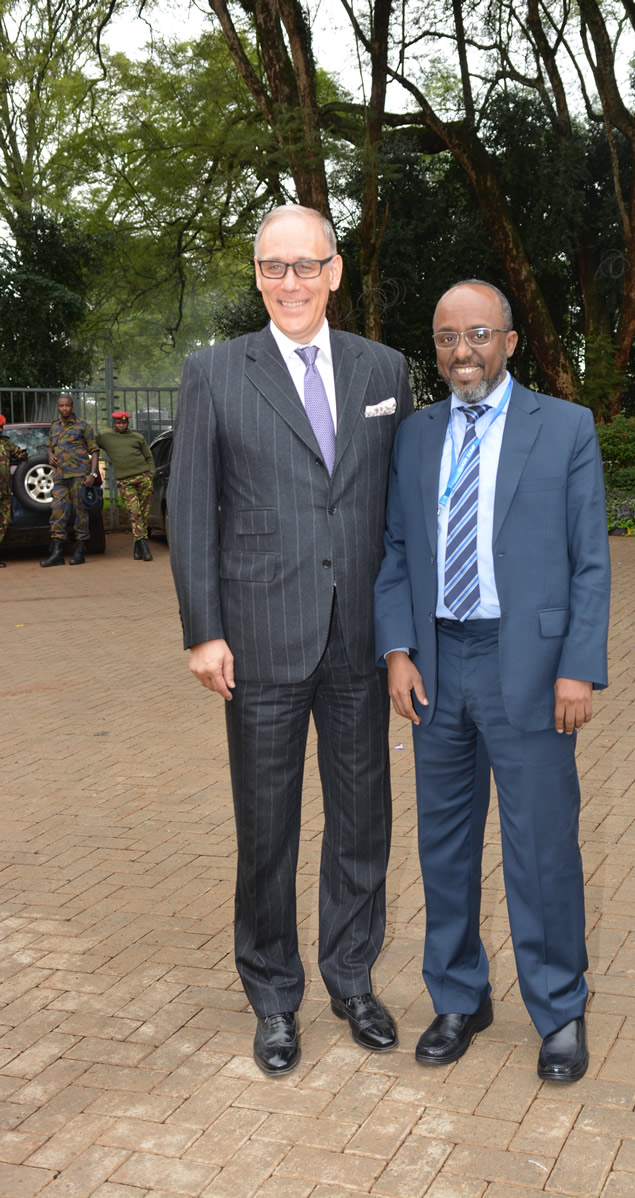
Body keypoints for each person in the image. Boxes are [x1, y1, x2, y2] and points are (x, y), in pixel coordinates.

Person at [168, 204, 413, 1077]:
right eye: (274, 267)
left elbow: (401, 513)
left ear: (334, 272)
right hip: (261, 640)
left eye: (306, 265)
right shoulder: (214, 373)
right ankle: (274, 995)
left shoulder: (385, 369)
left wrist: (403, 634)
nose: (290, 283)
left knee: (363, 824)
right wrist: (205, 632)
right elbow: (190, 510)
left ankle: (352, 979)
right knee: (266, 830)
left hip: (359, 642)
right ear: (258, 275)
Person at [374, 280, 611, 1081]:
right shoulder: (415, 435)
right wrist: (397, 650)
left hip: (532, 669)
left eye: (478, 334)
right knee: (443, 846)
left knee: (541, 845)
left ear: (510, 341)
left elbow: (590, 560)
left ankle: (560, 1008)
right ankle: (458, 997)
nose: (462, 351)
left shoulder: (565, 427)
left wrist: (578, 667)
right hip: (437, 666)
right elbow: (396, 550)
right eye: (447, 338)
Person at [40, 394, 99, 567]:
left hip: (79, 476)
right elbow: (50, 445)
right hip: (60, 476)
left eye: (67, 405)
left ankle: (80, 551)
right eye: (61, 405)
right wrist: (50, 455)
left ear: (72, 406)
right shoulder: (54, 426)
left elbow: (94, 451)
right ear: (58, 407)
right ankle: (57, 554)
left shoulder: (83, 426)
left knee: (81, 511)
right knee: (57, 511)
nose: (64, 408)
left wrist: (92, 474)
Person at [96, 411, 155, 559]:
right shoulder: (104, 435)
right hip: (125, 481)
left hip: (143, 478)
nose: (121, 425)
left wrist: (151, 474)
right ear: (114, 423)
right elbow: (91, 445)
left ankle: (138, 545)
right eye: (118, 423)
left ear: (128, 423)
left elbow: (148, 457)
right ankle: (144, 547)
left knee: (144, 513)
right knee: (134, 512)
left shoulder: (137, 437)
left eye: (124, 423)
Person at [0, 414, 28, 567]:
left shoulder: (6, 443)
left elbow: (18, 453)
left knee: (2, 522)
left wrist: (23, 455)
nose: (0, 430)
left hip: (4, 490)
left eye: (1, 427)